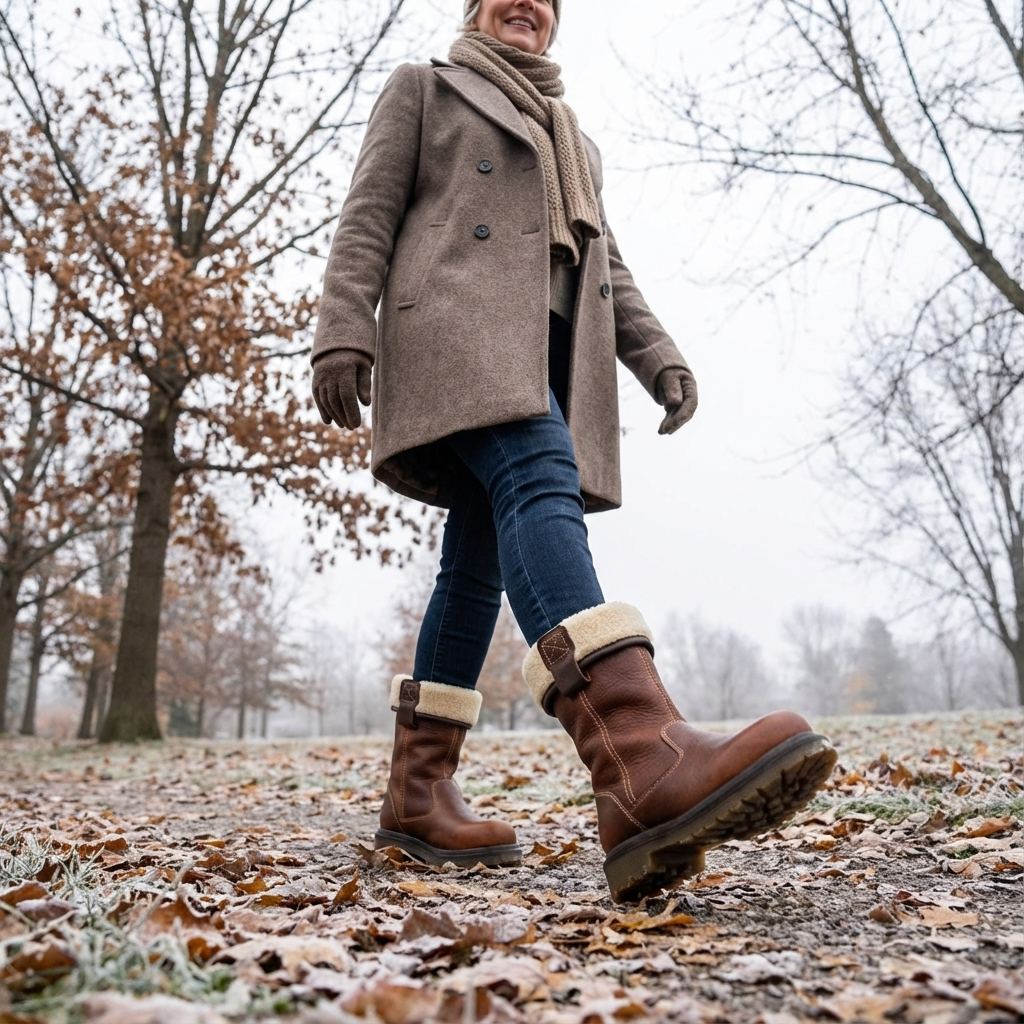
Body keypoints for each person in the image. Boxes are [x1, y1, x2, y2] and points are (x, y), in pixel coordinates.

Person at [311, 0, 836, 903]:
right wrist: (339, 330)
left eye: (549, 4)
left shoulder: (574, 140)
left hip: (549, 362)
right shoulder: (425, 90)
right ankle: (640, 758)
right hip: (456, 338)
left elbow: (609, 268)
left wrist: (658, 356)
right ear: (474, 10)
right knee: (536, 474)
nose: (532, 8)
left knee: (474, 566)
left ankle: (417, 794)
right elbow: (368, 214)